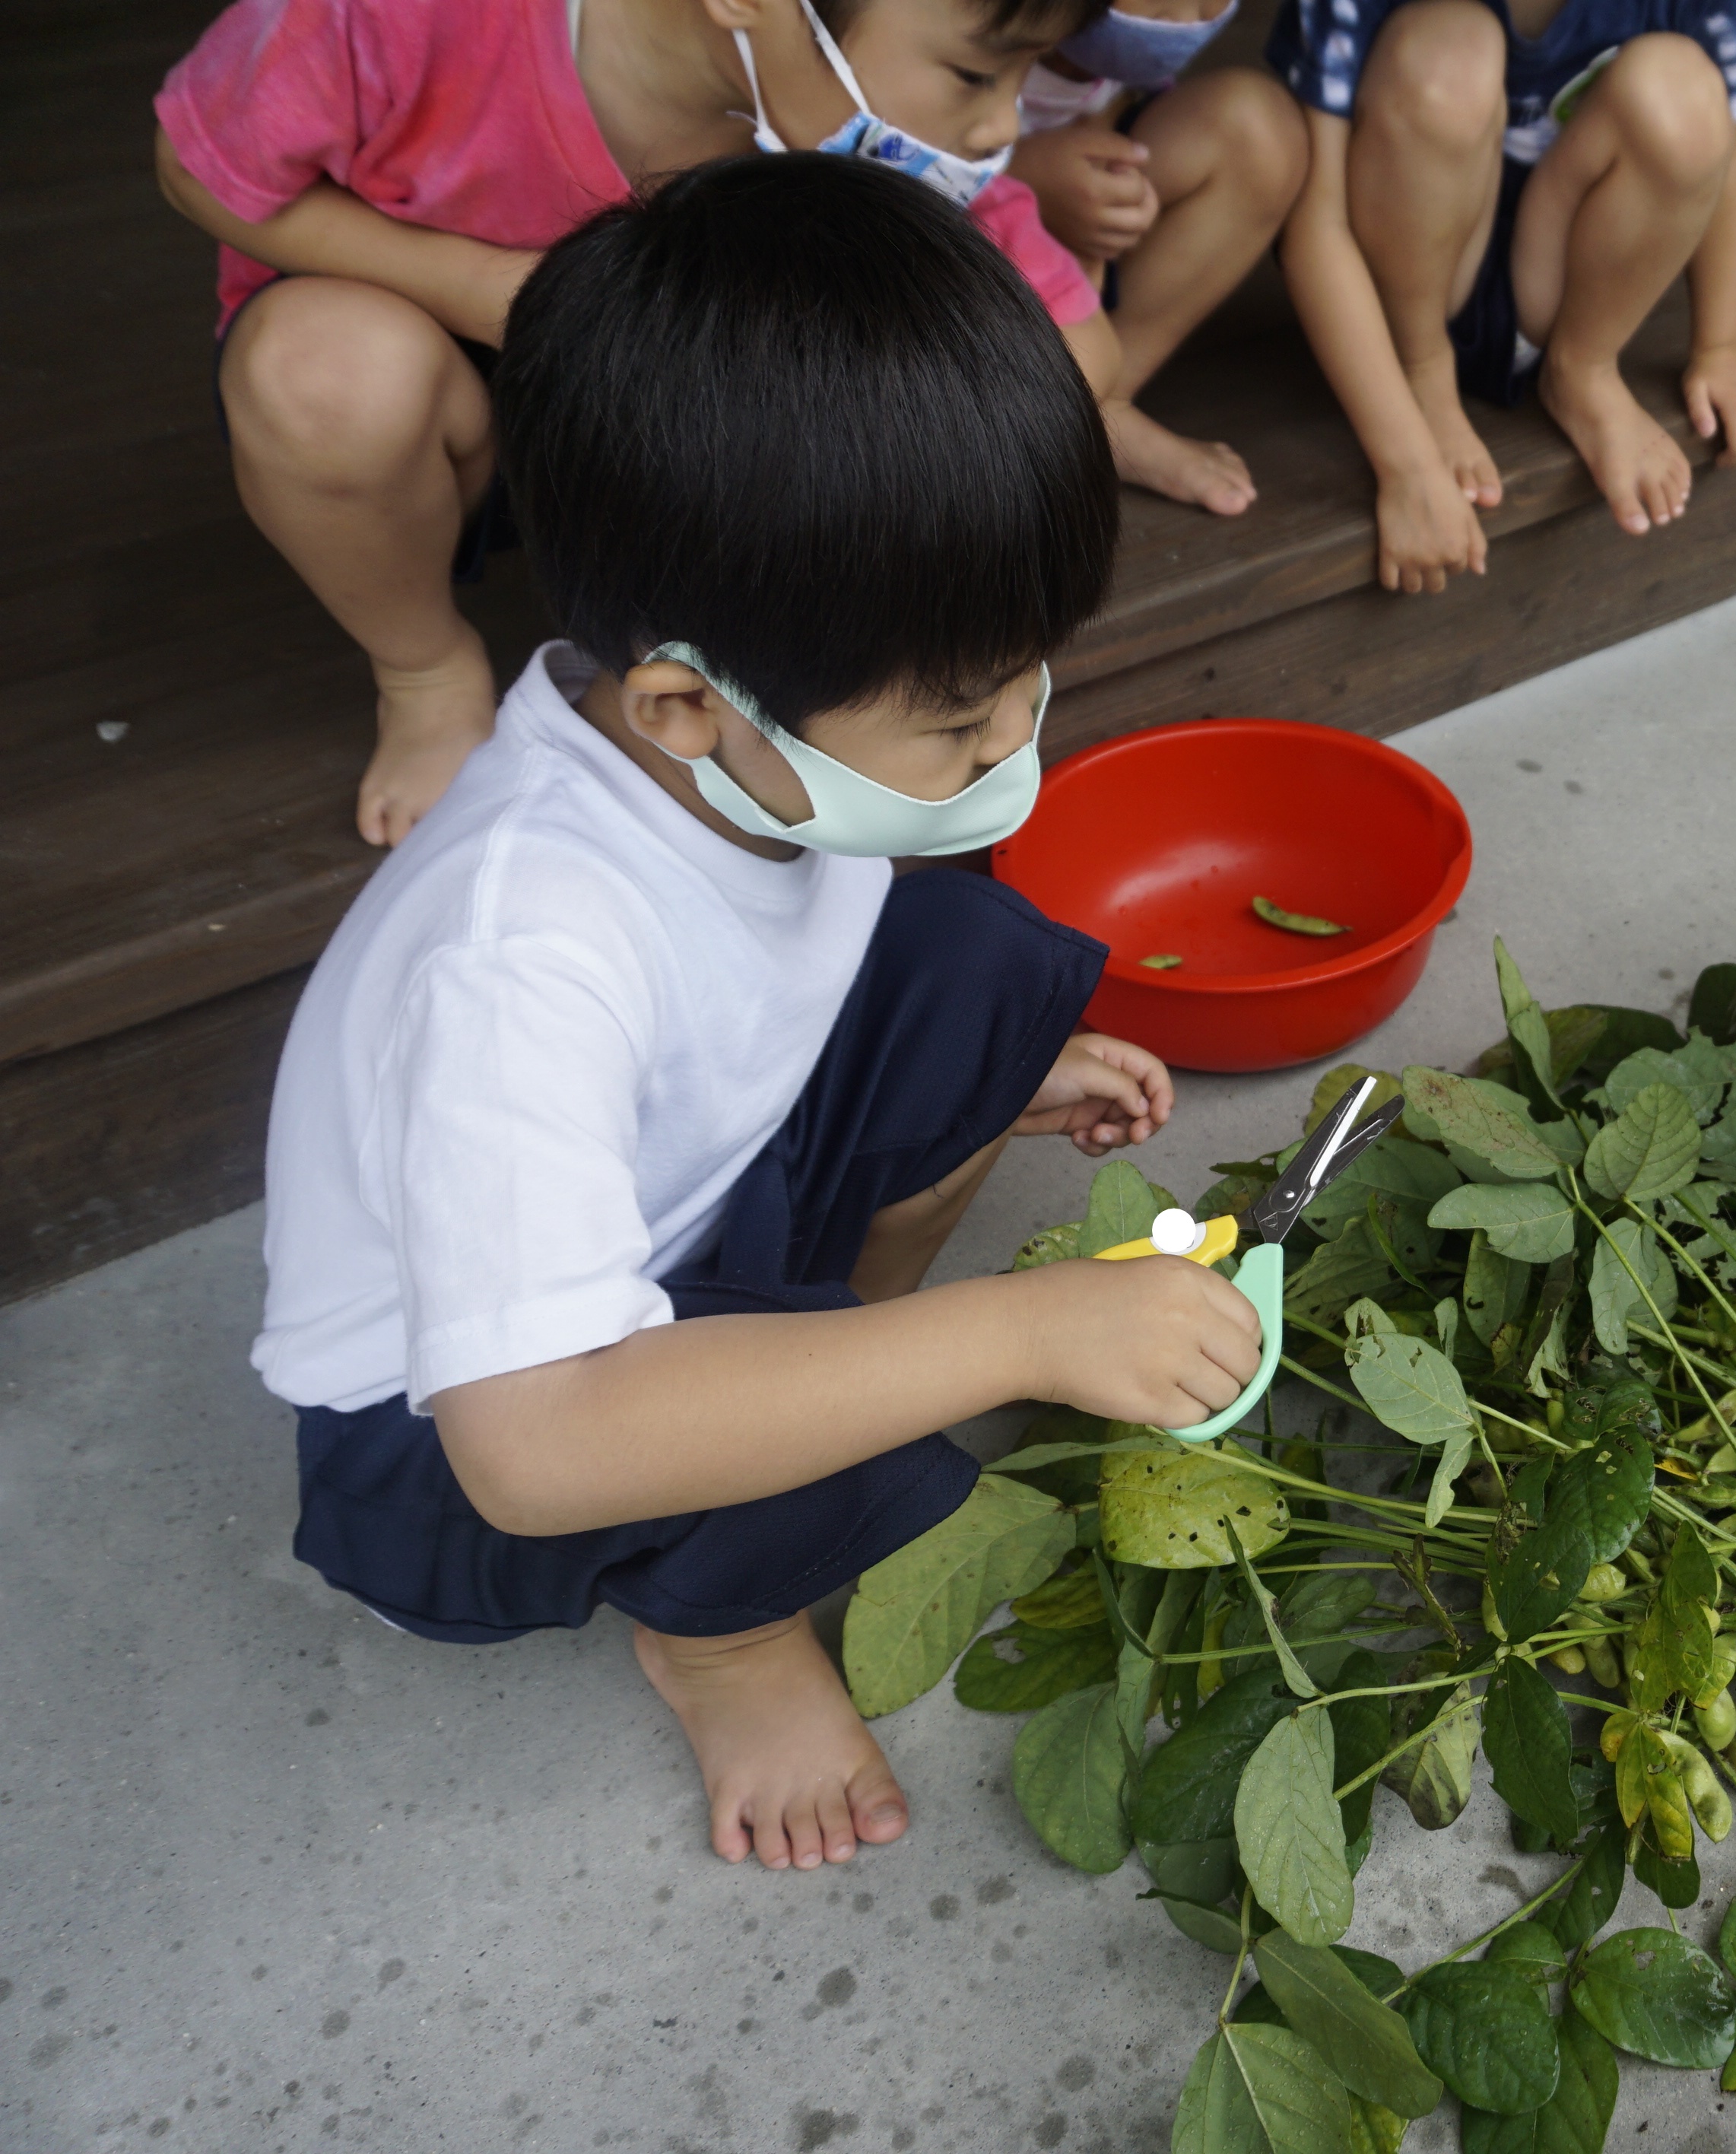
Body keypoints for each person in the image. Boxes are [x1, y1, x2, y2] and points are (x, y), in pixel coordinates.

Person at [250, 154, 1262, 1871]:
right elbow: (536, 1449)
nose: (1016, 750)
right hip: (455, 1439)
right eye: (959, 728)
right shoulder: (521, 953)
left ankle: (814, 1361)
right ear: (683, 705)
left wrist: (983, 1090)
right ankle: (716, 1635)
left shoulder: (735, 763)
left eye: (1032, 679)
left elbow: (817, 956)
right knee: (820, 1395)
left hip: (671, 1208)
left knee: (972, 973)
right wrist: (1018, 1340)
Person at [152, 0, 1232, 848]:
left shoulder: (878, 125)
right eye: (974, 73)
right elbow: (205, 170)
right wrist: (487, 286)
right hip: (449, 374)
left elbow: (1077, 349)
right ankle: (425, 669)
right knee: (325, 376)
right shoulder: (395, 13)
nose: (1001, 127)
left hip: (655, 443)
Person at [1266, 0, 1736, 593]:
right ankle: (1423, 374)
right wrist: (1406, 463)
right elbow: (1314, 222)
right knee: (1450, 45)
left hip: (1560, 282)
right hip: (1403, 291)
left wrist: (1720, 343)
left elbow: (1719, 128)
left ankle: (1582, 371)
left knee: (1686, 85)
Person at [1008, 2, 1309, 516]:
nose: (1189, 15)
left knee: (1257, 133)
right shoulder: (956, 35)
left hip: (1073, 249)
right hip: (955, 238)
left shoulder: (1117, 61)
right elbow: (888, 161)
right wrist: (1025, 175)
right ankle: (1040, 411)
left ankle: (1099, 402)